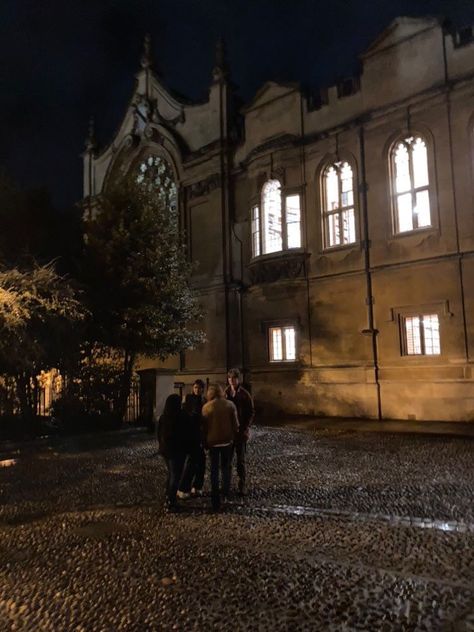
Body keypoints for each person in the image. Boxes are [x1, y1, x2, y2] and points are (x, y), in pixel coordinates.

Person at [201, 383, 239, 511]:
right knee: (226, 467)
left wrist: (205, 441)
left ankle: (215, 496)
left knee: (214, 470)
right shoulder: (230, 405)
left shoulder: (206, 408)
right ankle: (225, 490)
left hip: (213, 442)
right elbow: (235, 425)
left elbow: (204, 427)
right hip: (227, 441)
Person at [156, 394, 191, 512]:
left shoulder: (163, 417)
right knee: (175, 476)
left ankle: (168, 496)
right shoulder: (182, 416)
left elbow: (159, 434)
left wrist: (161, 446)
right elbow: (186, 434)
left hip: (166, 450)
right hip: (178, 451)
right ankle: (170, 501)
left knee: (171, 474)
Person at [225, 368, 255, 496]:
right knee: (227, 460)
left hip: (240, 432)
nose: (232, 380)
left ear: (238, 379)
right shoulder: (225, 393)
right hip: (229, 432)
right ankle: (226, 485)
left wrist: (245, 427)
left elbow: (251, 412)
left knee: (240, 460)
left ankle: (242, 484)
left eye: (234, 378)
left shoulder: (244, 394)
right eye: (230, 378)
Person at [178, 379, 207, 498]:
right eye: (195, 387)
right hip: (191, 434)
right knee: (192, 462)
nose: (197, 390)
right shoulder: (188, 399)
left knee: (201, 461)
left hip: (199, 434)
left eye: (199, 388)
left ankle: (197, 486)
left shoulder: (204, 401)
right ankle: (184, 488)